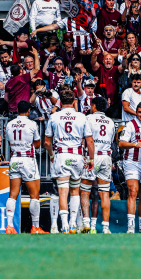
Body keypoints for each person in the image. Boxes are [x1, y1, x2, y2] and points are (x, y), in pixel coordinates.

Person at [45, 88, 94, 234]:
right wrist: (91, 158)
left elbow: (47, 142)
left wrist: (51, 155)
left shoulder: (54, 117)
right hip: (77, 156)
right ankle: (73, 224)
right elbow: (90, 141)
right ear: (74, 102)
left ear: (60, 102)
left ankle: (64, 226)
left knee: (62, 192)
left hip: (62, 155)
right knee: (74, 191)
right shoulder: (81, 116)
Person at [3, 101, 45, 234]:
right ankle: (35, 227)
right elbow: (37, 144)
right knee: (34, 195)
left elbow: (9, 141)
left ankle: (9, 226)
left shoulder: (9, 124)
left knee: (13, 194)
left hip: (14, 158)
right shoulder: (32, 124)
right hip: (27, 159)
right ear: (28, 111)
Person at [79, 96, 115, 234]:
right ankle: (106, 227)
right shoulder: (110, 122)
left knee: (85, 191)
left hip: (92, 157)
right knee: (104, 193)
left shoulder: (88, 119)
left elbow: (86, 140)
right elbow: (111, 141)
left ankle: (87, 224)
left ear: (94, 106)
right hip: (106, 156)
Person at [118, 102, 141, 234]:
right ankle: (131, 227)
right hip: (131, 162)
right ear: (136, 112)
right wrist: (135, 144)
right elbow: (121, 143)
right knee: (133, 191)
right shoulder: (130, 125)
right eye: (139, 112)